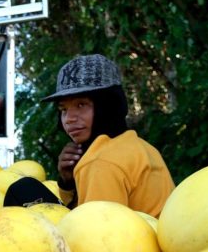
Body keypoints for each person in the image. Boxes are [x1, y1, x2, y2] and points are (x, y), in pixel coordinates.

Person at [46, 54, 174, 217]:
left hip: (127, 242)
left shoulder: (100, 161)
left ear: (107, 106)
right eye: (64, 110)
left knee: (22, 189)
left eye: (81, 105)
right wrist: (68, 182)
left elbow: (97, 235)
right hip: (152, 238)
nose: (69, 119)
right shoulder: (139, 146)